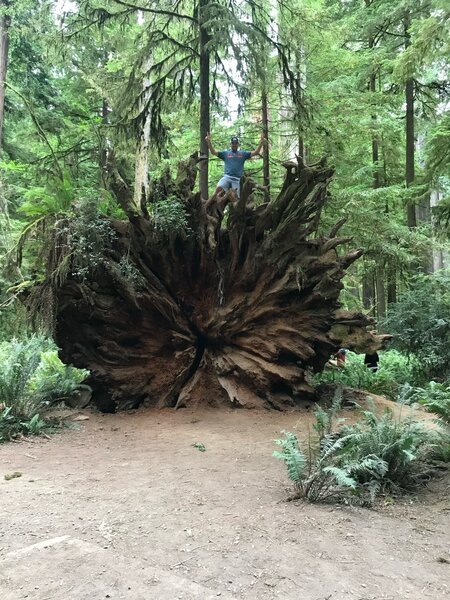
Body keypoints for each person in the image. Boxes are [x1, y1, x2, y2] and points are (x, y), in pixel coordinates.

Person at [205, 132, 265, 197]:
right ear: (230, 144)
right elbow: (213, 152)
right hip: (227, 177)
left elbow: (256, 152)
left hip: (237, 179)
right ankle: (210, 205)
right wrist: (208, 142)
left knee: (236, 197)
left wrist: (261, 143)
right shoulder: (225, 153)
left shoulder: (243, 154)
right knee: (218, 190)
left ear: (238, 144)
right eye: (233, 143)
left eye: (236, 143)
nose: (234, 145)